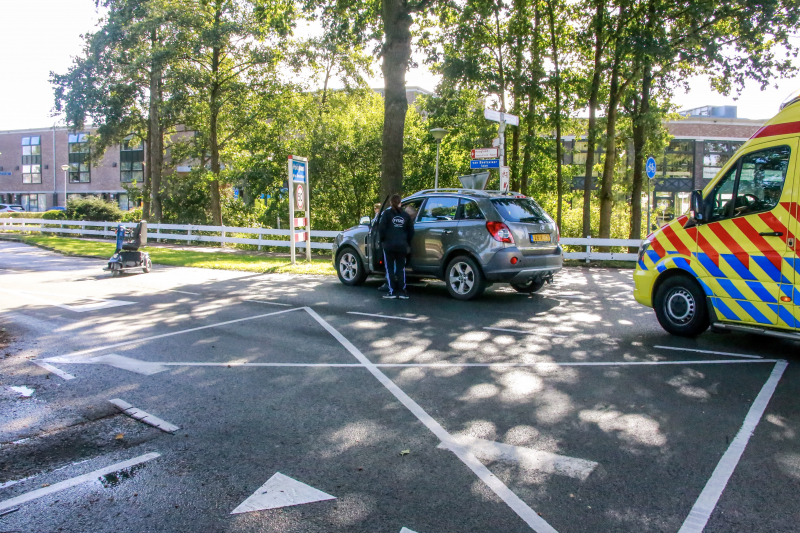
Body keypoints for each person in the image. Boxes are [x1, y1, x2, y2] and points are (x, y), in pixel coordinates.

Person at [378, 194, 414, 299]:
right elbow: (411, 231)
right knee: (400, 268)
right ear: (400, 203)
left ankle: (392, 291)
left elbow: (381, 229)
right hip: (402, 246)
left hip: (389, 245)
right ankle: (402, 291)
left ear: (390, 203)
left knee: (389, 268)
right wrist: (406, 241)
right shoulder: (406, 215)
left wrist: (383, 241)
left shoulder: (386, 214)